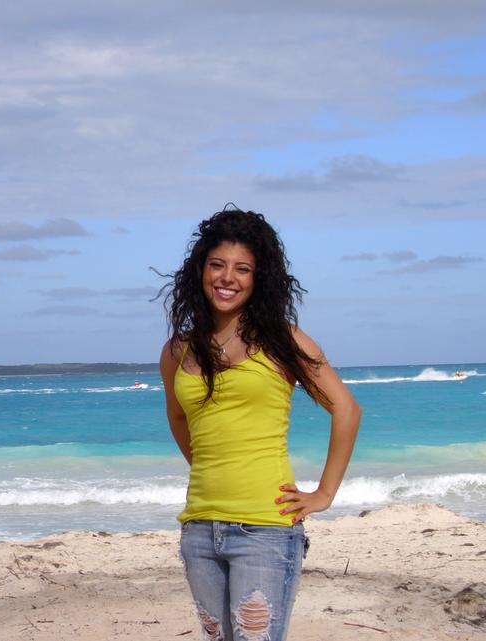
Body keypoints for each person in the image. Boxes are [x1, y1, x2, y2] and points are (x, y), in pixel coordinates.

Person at [159, 206, 361, 640]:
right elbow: (179, 416)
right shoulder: (179, 350)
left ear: (258, 278)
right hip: (198, 529)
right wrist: (210, 469)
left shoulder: (282, 340)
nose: (227, 277)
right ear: (200, 270)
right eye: (217, 265)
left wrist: (324, 493)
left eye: (242, 269)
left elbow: (346, 409)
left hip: (264, 530)